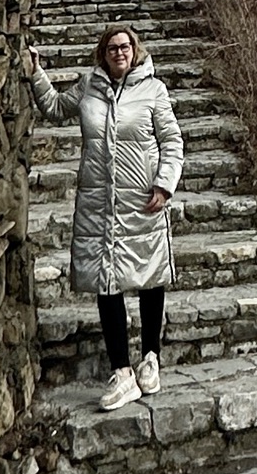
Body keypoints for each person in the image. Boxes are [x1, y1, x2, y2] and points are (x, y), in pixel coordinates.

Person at [29, 21, 185, 410]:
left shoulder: (154, 90)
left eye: (126, 45)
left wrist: (165, 185)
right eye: (113, 47)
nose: (119, 52)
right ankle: (123, 372)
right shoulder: (88, 87)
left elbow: (172, 141)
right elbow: (54, 108)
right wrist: (35, 73)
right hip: (99, 205)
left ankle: (151, 358)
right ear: (103, 53)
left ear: (135, 50)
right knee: (106, 281)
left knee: (150, 276)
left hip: (143, 200)